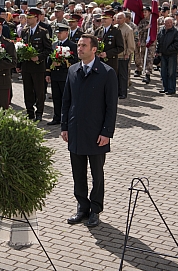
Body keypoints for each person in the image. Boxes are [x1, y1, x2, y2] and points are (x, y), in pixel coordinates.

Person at [61, 34, 118, 228]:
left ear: (94, 49)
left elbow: (112, 106)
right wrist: (64, 127)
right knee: (78, 173)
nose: (79, 48)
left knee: (97, 174)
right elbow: (66, 101)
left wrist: (106, 132)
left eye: (83, 46)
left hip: (97, 134)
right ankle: (82, 207)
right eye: (78, 45)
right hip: (76, 131)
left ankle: (95, 209)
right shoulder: (72, 70)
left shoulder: (106, 72)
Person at [16, 8, 52, 121]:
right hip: (26, 67)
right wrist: (19, 64)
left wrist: (38, 57)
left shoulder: (43, 32)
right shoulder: (24, 31)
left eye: (30, 17)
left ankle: (39, 112)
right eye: (27, 17)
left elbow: (48, 50)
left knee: (39, 91)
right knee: (28, 91)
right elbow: (21, 48)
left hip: (38, 66)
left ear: (36, 18)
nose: (28, 20)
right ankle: (29, 112)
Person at [46, 24, 78, 125]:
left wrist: (63, 63)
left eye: (60, 33)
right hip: (55, 75)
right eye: (57, 33)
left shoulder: (72, 45)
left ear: (66, 33)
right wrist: (48, 73)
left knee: (66, 98)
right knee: (56, 97)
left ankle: (67, 118)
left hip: (65, 75)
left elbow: (75, 60)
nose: (58, 35)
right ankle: (57, 117)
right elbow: (49, 59)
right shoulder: (55, 44)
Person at [156, 17, 178, 95]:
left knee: (171, 72)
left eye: (170, 23)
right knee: (163, 72)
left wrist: (169, 49)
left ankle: (171, 89)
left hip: (172, 54)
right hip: (163, 55)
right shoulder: (161, 30)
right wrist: (157, 51)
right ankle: (165, 88)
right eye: (167, 23)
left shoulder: (177, 32)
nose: (168, 24)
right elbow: (159, 41)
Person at [95, 9, 124, 74]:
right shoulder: (98, 31)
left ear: (111, 19)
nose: (103, 20)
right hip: (98, 61)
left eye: (106, 18)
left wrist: (107, 53)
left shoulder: (116, 31)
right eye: (102, 18)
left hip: (110, 62)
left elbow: (120, 47)